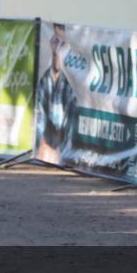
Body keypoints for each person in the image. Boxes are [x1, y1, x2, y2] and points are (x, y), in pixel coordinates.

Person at [34, 24, 77, 167]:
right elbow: (39, 124)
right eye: (54, 42)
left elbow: (68, 135)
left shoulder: (71, 86)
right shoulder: (44, 81)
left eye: (62, 44)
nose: (57, 48)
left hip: (61, 156)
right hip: (44, 153)